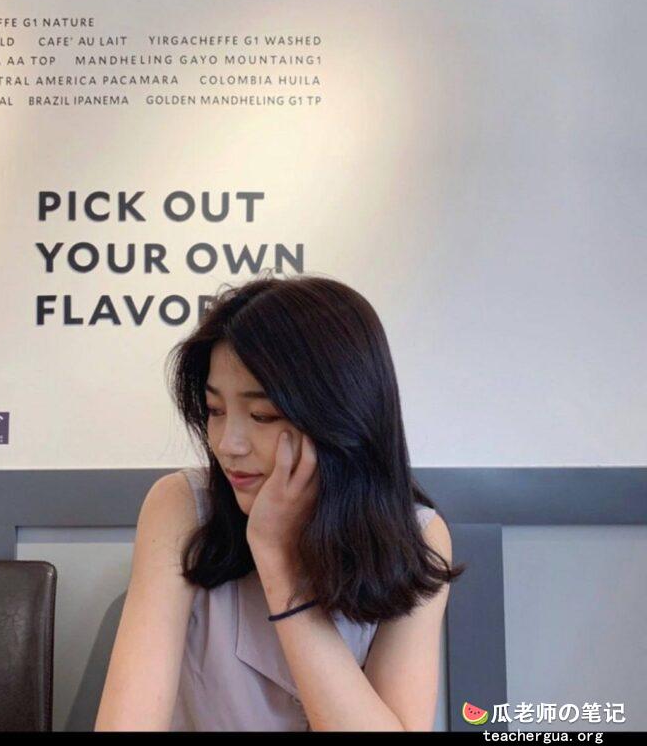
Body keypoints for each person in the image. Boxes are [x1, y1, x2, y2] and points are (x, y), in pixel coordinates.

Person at [94, 272, 466, 732]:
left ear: (340, 414)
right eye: (215, 410)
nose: (227, 444)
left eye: (262, 414)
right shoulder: (182, 507)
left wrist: (277, 560)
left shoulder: (417, 537)